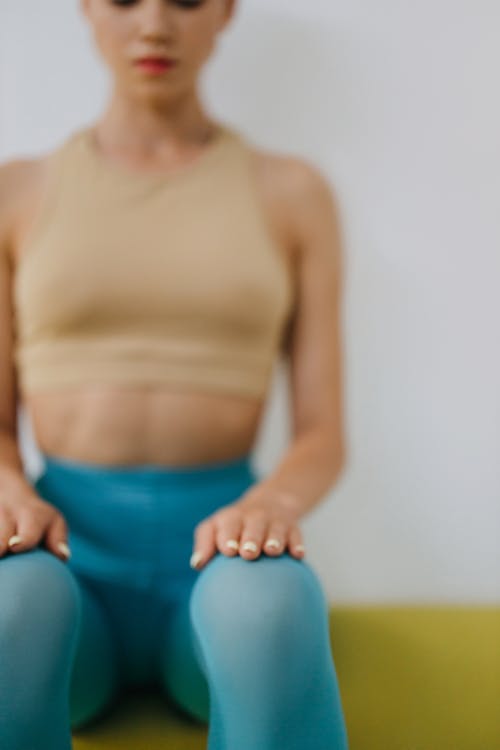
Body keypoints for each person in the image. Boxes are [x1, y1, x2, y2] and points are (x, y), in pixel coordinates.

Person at [0, 1, 349, 748]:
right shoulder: (15, 193)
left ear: (225, 11)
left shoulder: (293, 194)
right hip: (63, 552)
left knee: (267, 607)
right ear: (87, 7)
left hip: (223, 549)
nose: (154, 25)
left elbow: (323, 433)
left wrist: (273, 505)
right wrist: (5, 492)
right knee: (7, 599)